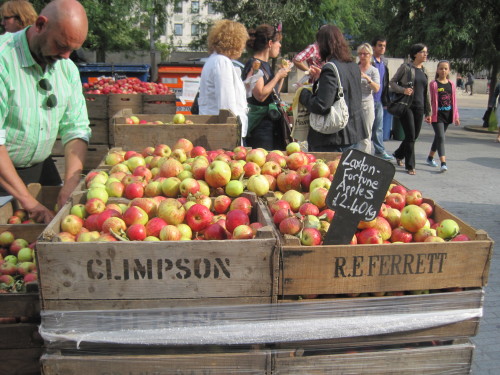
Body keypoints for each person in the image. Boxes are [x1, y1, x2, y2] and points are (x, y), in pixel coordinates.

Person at [0, 0, 91, 223]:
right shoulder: (4, 60)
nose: (66, 56)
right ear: (40, 25)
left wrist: (70, 182)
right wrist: (28, 201)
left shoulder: (66, 68)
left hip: (41, 169)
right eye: (61, 45)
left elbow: (76, 128)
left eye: (73, 49)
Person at [299, 24, 366, 152]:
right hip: (353, 133)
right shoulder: (352, 65)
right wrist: (321, 79)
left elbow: (322, 105)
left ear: (324, 45)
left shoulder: (330, 68)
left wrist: (303, 95)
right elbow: (346, 91)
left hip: (334, 138)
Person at [198, 20, 249, 144]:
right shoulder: (222, 62)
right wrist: (232, 133)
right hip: (223, 132)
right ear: (235, 41)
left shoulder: (213, 61)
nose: (244, 47)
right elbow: (227, 105)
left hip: (213, 127)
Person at [242, 24, 291, 150]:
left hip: (269, 124)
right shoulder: (255, 64)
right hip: (260, 127)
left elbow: (273, 94)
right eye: (278, 42)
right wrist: (277, 76)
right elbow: (260, 96)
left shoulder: (266, 65)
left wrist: (281, 76)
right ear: (270, 43)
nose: (280, 46)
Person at [390, 43, 431, 175]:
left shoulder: (425, 71)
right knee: (411, 136)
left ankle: (398, 153)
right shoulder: (406, 68)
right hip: (406, 106)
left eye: (426, 52)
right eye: (422, 52)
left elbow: (426, 93)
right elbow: (392, 82)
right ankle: (410, 165)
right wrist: (403, 90)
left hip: (419, 107)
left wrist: (428, 111)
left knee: (413, 136)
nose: (425, 54)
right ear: (415, 54)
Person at [425, 60, 460, 172]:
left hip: (448, 115)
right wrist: (429, 114)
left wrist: (456, 116)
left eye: (445, 68)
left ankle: (430, 158)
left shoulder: (451, 84)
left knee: (438, 137)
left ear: (449, 70)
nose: (443, 71)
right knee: (441, 137)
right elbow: (429, 101)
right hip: (437, 116)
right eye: (441, 68)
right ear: (437, 70)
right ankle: (443, 163)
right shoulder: (434, 84)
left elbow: (454, 101)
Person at [371, 37, 393, 160]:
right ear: (374, 47)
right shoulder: (369, 61)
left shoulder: (384, 64)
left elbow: (385, 83)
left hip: (378, 100)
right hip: (367, 100)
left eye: (384, 46)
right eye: (379, 45)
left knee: (378, 127)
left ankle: (379, 150)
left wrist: (385, 100)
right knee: (365, 128)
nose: (382, 48)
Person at [356, 43, 380, 154]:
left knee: (365, 136)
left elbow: (376, 88)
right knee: (354, 135)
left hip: (367, 104)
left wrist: (367, 78)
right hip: (354, 104)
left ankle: (364, 160)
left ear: (370, 55)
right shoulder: (355, 68)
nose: (362, 56)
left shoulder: (373, 70)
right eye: (360, 54)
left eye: (365, 54)